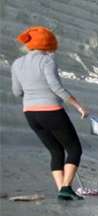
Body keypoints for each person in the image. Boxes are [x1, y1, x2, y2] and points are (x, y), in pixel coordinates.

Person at [11, 26, 89, 201]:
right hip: (51, 111)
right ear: (49, 43)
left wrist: (32, 92)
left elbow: (17, 92)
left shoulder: (17, 63)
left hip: (30, 113)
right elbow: (56, 87)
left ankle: (62, 190)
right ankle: (67, 187)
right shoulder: (47, 61)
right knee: (74, 149)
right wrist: (78, 106)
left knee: (55, 151)